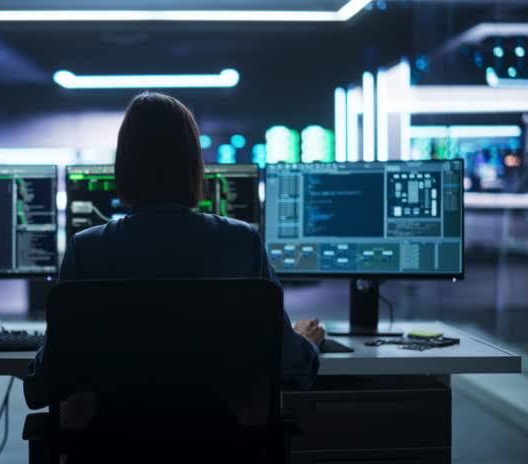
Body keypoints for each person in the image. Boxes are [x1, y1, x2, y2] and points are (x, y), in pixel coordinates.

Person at [24, 92, 323, 410]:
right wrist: (304, 341)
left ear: (123, 165)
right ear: (194, 165)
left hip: (115, 447)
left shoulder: (87, 249)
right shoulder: (241, 241)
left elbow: (44, 385)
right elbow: (294, 367)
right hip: (219, 446)